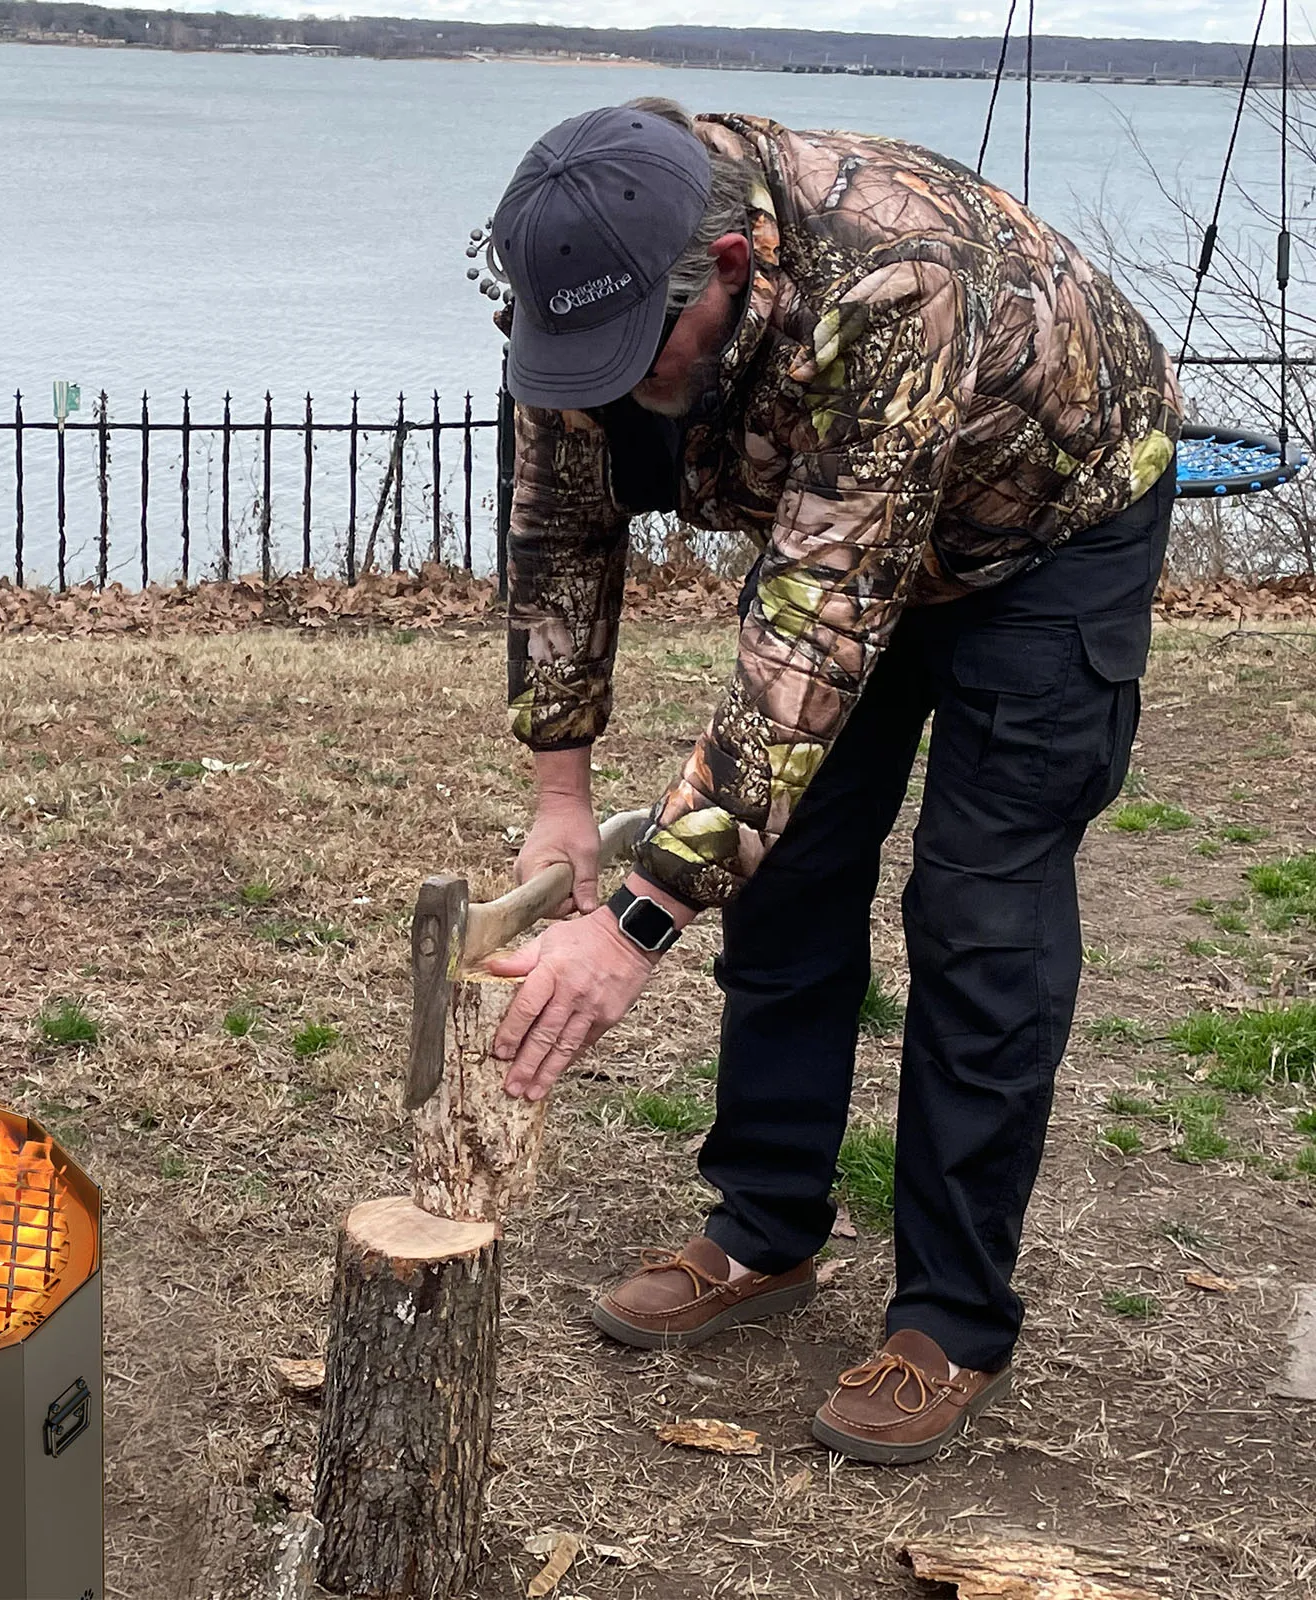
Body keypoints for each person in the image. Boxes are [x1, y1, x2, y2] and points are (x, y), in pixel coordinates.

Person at [478, 98, 1181, 1465]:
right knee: (788, 873)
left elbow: (817, 627)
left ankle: (952, 1319)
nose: (614, 385)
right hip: (848, 536)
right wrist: (559, 789)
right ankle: (764, 1228)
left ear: (732, 266)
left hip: (1047, 527)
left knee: (978, 910)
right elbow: (558, 525)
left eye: (642, 358)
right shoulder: (578, 282)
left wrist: (632, 927)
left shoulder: (890, 281)